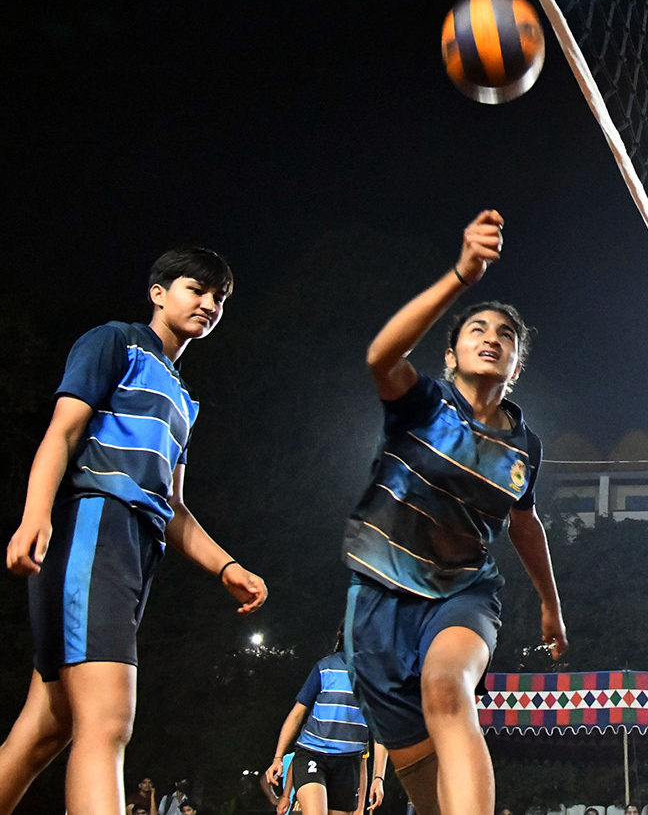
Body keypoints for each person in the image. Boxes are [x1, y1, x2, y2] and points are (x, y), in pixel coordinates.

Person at [0, 245, 268, 815]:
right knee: (108, 722)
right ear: (159, 293)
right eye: (195, 289)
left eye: (218, 297)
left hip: (134, 552)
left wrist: (227, 566)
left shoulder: (183, 401)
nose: (208, 304)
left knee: (46, 729)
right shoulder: (116, 341)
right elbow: (64, 432)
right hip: (93, 529)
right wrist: (35, 514)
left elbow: (172, 506)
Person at [340, 210, 568, 815]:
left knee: (447, 689)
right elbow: (379, 357)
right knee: (423, 783)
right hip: (379, 600)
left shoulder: (524, 446)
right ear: (451, 353)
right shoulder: (424, 405)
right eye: (477, 329)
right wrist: (461, 277)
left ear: (516, 366)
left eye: (506, 336)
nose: (491, 337)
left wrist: (549, 603)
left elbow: (524, 522)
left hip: (462, 591)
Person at [266, 627, 387, 815]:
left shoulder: (376, 680)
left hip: (348, 763)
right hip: (313, 754)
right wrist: (278, 758)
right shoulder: (326, 667)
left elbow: (379, 734)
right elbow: (297, 713)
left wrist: (378, 777)